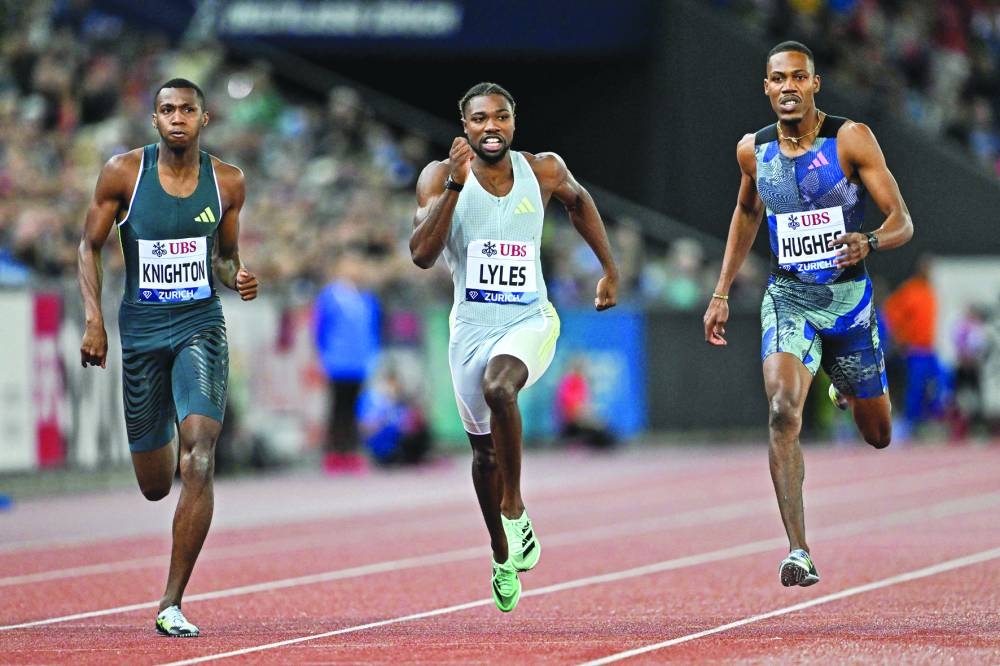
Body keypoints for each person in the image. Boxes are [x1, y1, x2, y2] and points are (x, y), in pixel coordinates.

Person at [702, 42, 913, 588]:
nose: (789, 87)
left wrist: (868, 240)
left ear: (816, 84)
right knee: (780, 411)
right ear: (767, 88)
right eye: (778, 79)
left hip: (849, 303)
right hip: (789, 297)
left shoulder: (850, 139)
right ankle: (799, 549)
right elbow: (747, 212)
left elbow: (901, 221)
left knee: (879, 435)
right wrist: (722, 291)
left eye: (799, 77)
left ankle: (839, 381)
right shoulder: (753, 151)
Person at [410, 82, 618, 612]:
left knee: (501, 387)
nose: (491, 127)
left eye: (500, 117)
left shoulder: (542, 169)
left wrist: (610, 270)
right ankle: (502, 553)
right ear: (465, 127)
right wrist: (455, 187)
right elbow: (421, 255)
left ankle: (516, 508)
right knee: (483, 454)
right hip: (470, 328)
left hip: (530, 318)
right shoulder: (439, 176)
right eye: (479, 119)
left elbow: (580, 200)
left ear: (513, 122)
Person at [78, 78, 259, 637]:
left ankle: (171, 601)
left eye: (187, 109)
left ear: (205, 119)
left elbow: (225, 259)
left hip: (200, 327)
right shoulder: (123, 173)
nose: (176, 117)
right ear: (154, 119)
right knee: (156, 483)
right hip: (142, 334)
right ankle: (170, 579)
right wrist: (94, 320)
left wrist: (238, 277)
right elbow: (89, 245)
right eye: (166, 110)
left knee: (199, 456)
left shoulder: (227, 182)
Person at [313, 247, 381, 474]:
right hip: (337, 361)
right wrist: (323, 357)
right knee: (337, 409)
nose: (355, 270)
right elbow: (320, 330)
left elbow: (374, 329)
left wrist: (373, 356)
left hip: (359, 362)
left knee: (354, 409)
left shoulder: (367, 298)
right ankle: (334, 451)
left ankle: (351, 450)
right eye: (349, 265)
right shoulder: (329, 296)